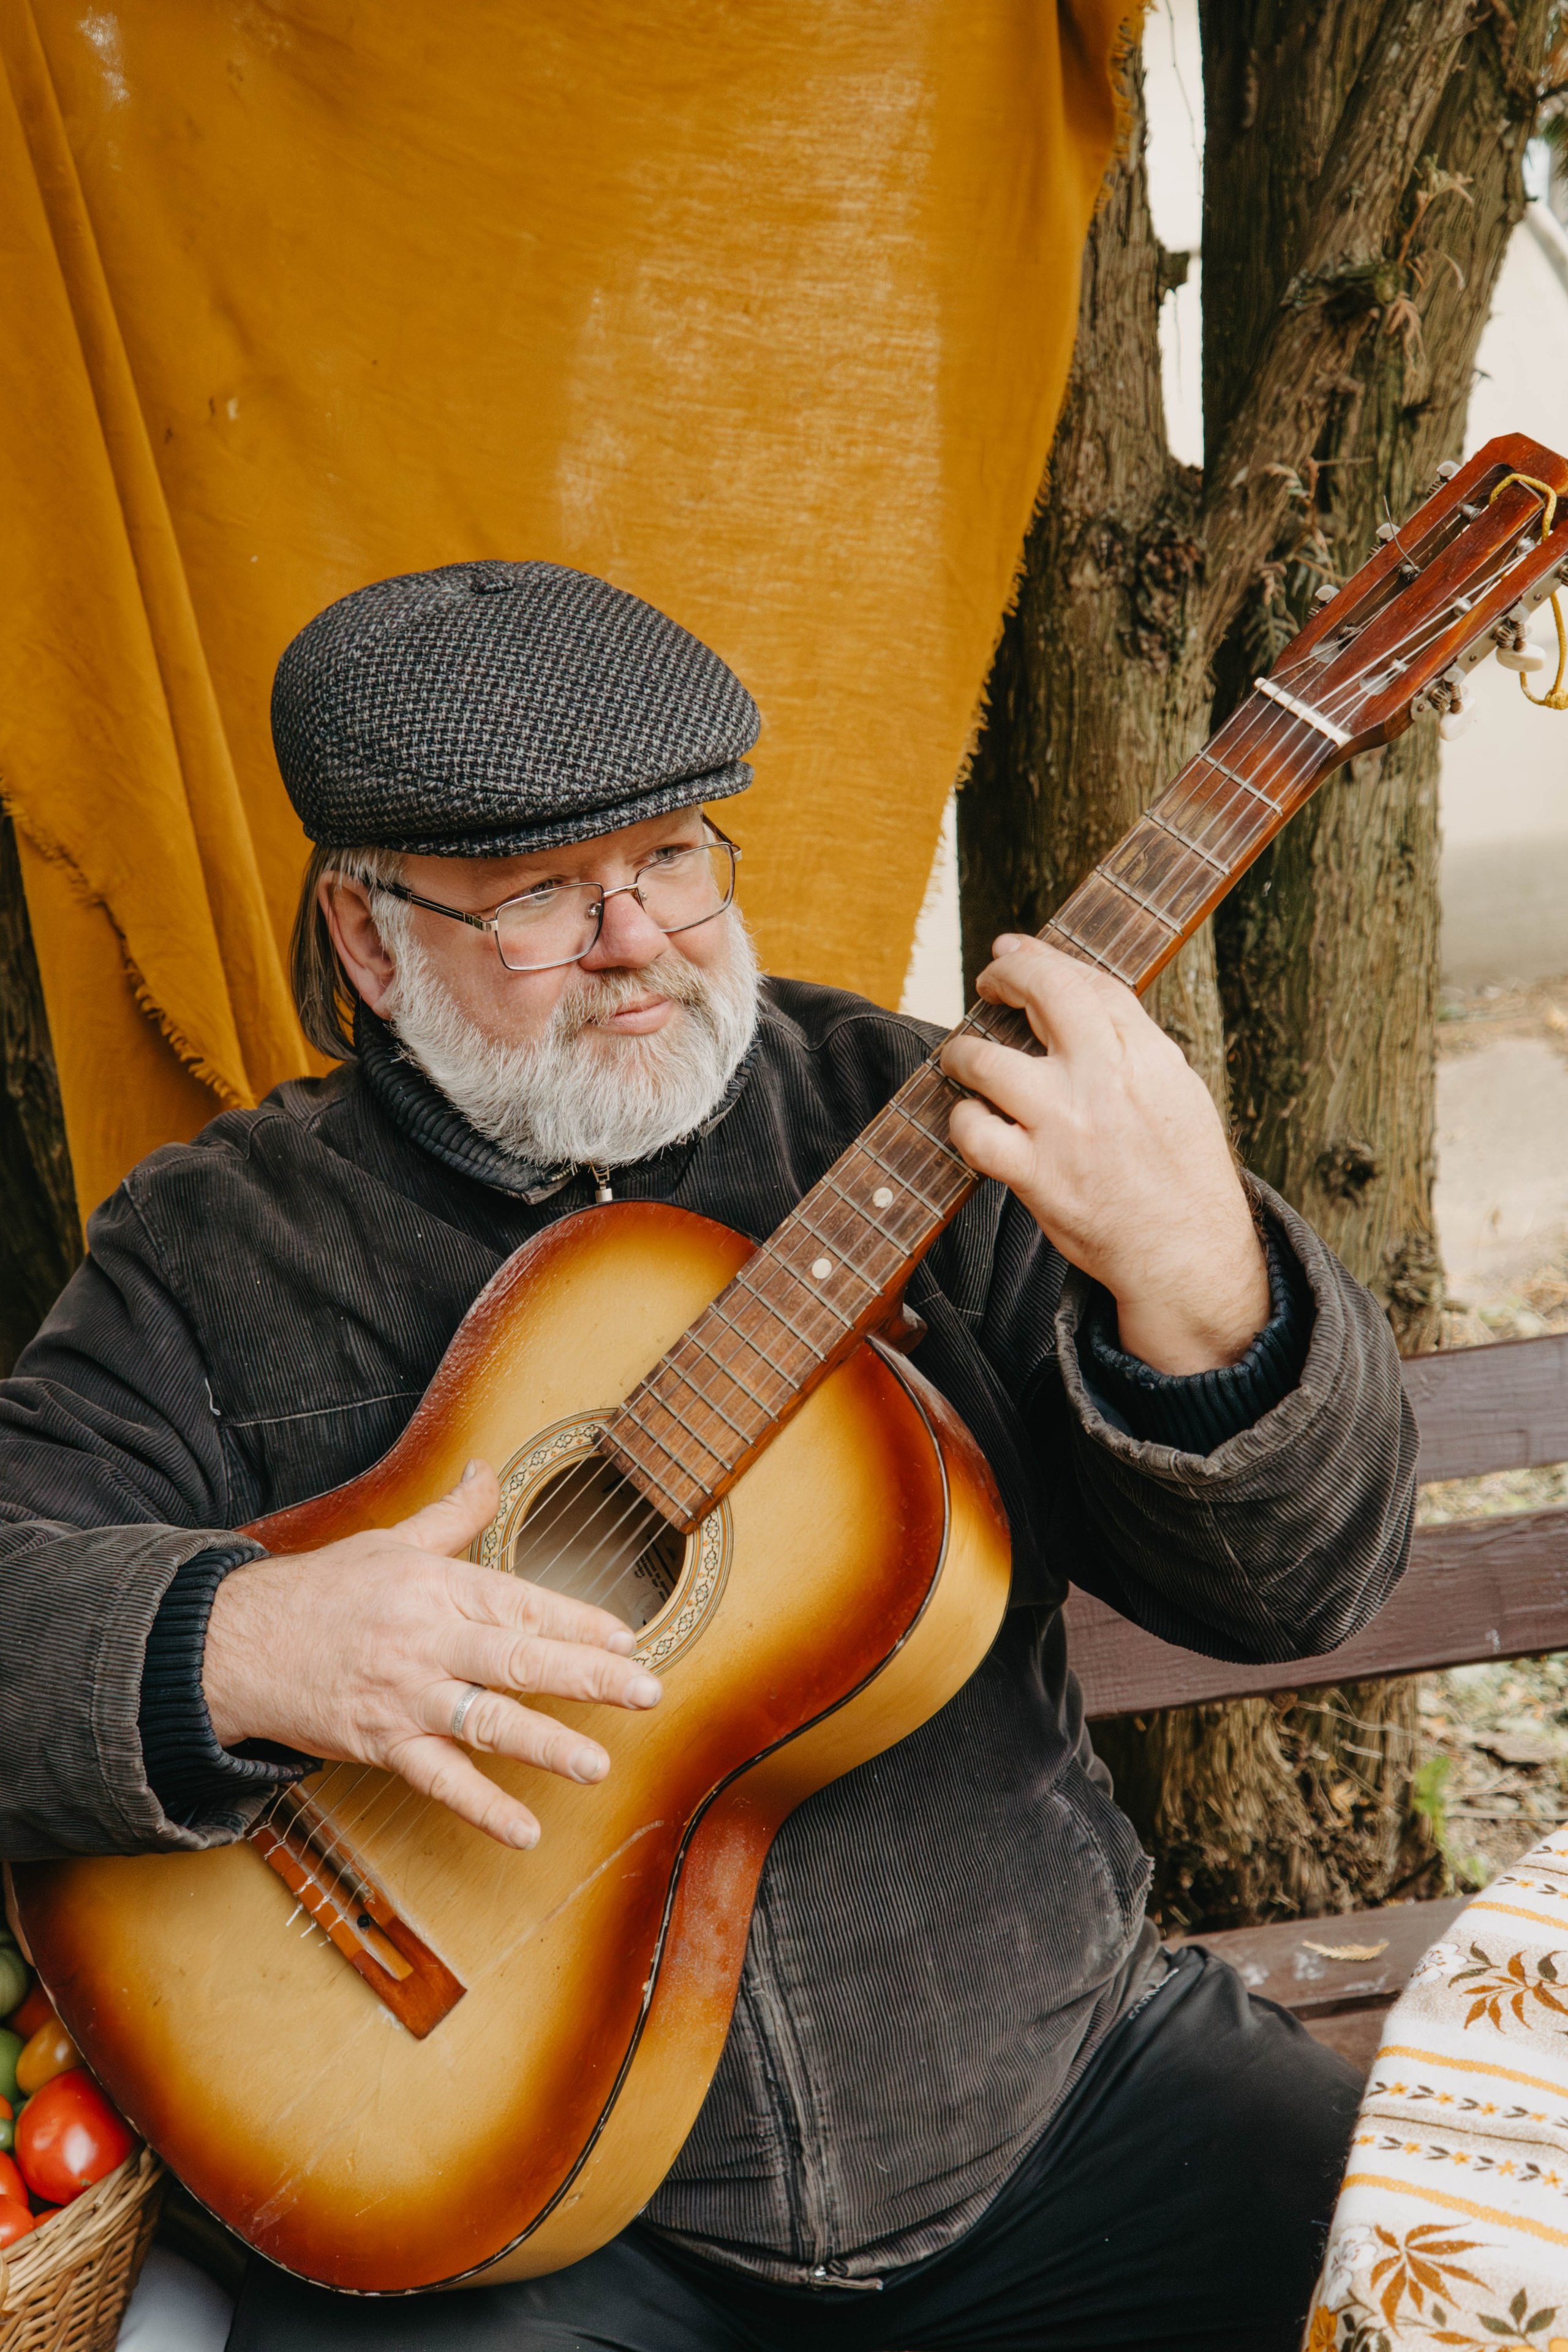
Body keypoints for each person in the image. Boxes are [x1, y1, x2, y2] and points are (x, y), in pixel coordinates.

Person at [0, 562, 1414, 2351]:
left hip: (1048, 2109)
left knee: (1434, 2281)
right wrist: (249, 1645)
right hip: (527, 2218)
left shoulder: (919, 1117)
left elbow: (1308, 1584)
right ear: (370, 937)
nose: (641, 940)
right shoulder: (217, 1254)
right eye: (543, 899)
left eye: (671, 859)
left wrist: (1204, 1279)